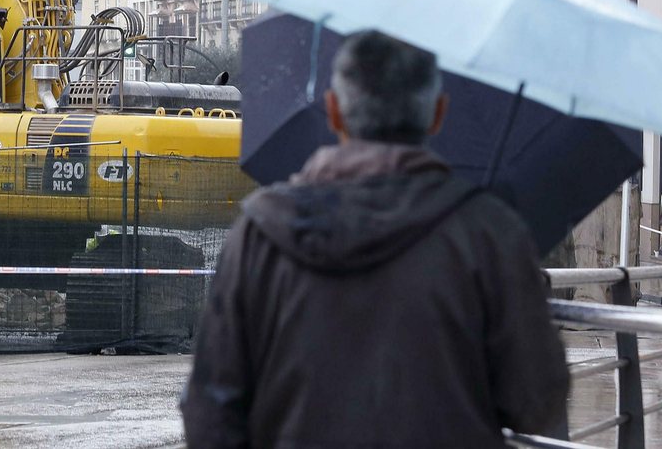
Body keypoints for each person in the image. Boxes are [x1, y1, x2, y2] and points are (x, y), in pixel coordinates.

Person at [181, 30, 569, 448]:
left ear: (333, 110)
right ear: (437, 113)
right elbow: (537, 403)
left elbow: (211, 407)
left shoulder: (259, 233)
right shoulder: (489, 232)